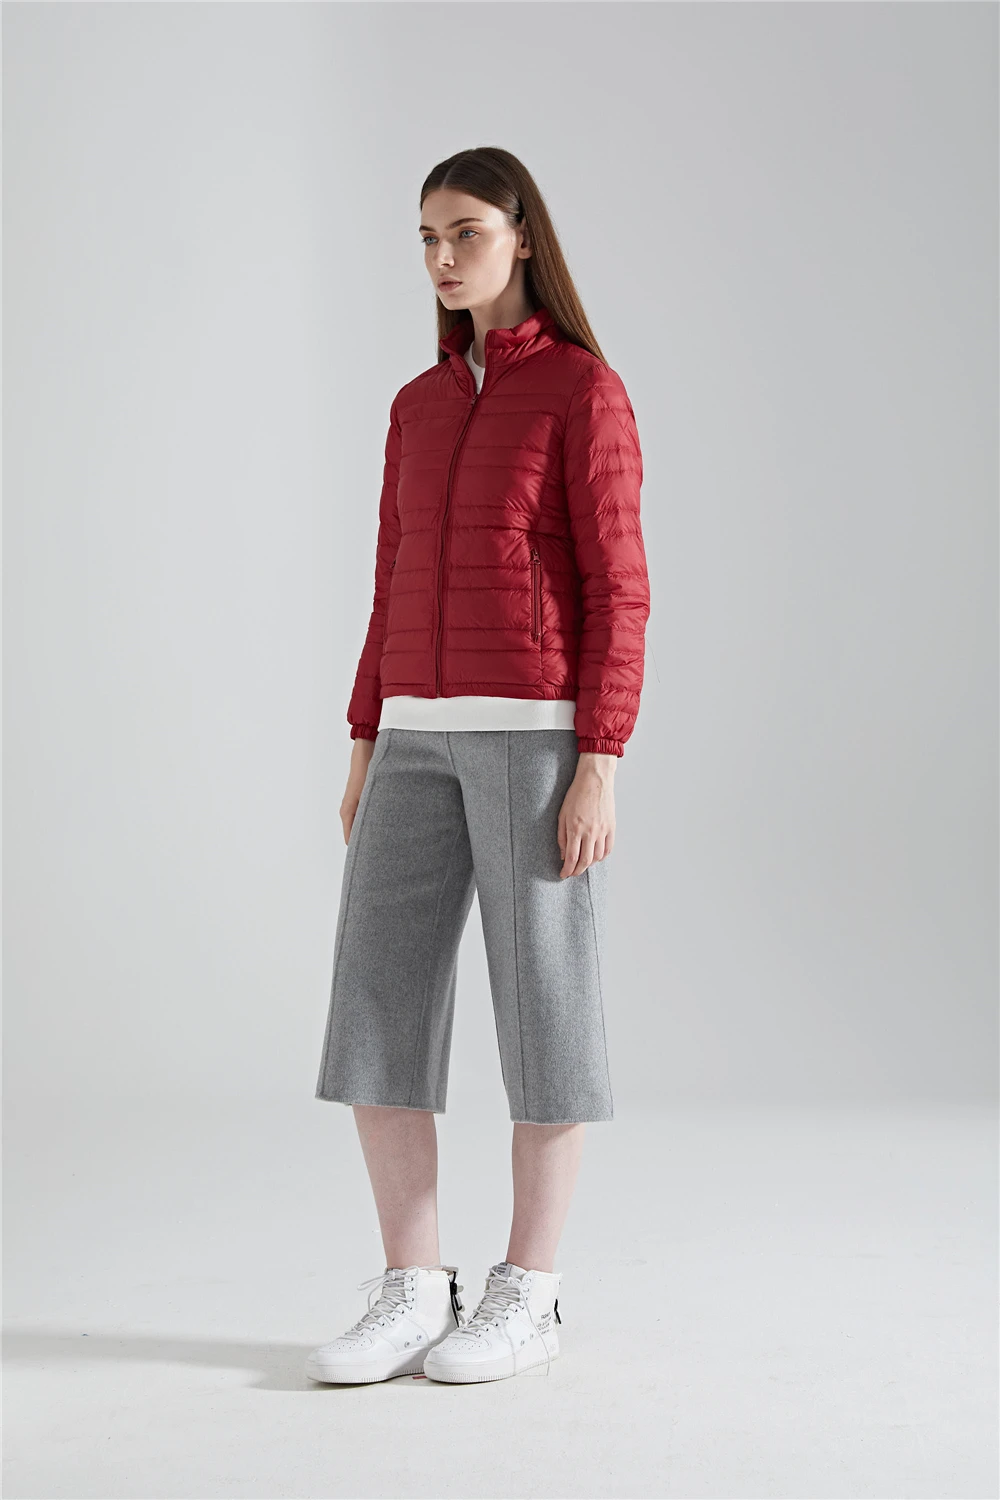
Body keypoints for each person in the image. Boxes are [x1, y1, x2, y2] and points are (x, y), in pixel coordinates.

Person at [307, 146, 650, 1386]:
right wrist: (364, 735)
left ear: (520, 237)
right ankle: (413, 1287)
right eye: (426, 238)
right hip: (411, 734)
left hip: (533, 737)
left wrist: (598, 758)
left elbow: (619, 588)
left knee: (544, 1008)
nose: (443, 258)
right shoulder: (416, 403)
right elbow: (389, 579)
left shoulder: (580, 390)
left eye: (464, 233)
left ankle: (530, 1293)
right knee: (376, 1005)